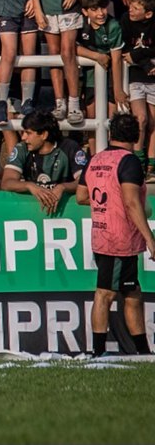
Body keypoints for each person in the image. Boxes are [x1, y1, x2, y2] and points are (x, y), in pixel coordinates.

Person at [78, 112, 155, 355]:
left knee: (132, 292)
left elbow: (82, 196)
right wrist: (151, 240)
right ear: (137, 136)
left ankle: (143, 353)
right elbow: (132, 203)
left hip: (101, 235)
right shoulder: (129, 161)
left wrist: (107, 201)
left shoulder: (96, 159)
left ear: (111, 134)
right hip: (120, 238)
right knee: (105, 294)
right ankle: (97, 353)